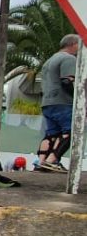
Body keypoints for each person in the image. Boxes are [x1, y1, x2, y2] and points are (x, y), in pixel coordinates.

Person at [36, 34, 80, 172]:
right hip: (63, 102)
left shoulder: (49, 61)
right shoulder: (69, 59)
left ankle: (41, 162)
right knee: (70, 132)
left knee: (51, 134)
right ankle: (52, 161)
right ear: (73, 44)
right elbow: (67, 81)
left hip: (47, 102)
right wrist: (78, 99)